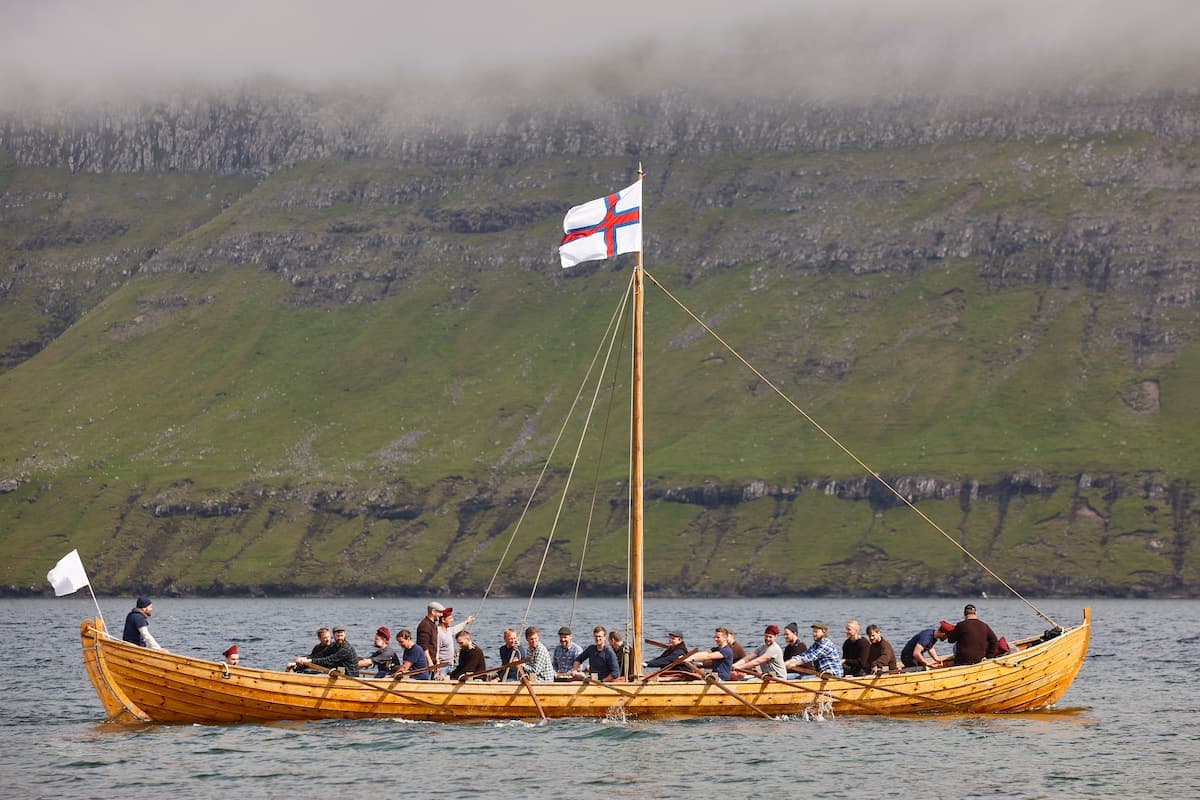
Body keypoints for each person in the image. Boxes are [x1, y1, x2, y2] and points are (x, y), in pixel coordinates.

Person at [294, 625, 359, 677]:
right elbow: (321, 654)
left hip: (351, 678)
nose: (340, 638)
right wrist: (304, 658)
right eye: (337, 636)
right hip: (342, 674)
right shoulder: (334, 645)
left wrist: (310, 661)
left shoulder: (346, 649)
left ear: (345, 635)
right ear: (334, 635)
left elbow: (329, 660)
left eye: (341, 636)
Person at [435, 608, 476, 678]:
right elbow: (436, 650)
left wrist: (467, 621)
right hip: (442, 667)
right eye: (450, 618)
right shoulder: (438, 633)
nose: (452, 620)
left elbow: (455, 629)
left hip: (450, 665)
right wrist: (437, 666)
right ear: (443, 620)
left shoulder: (448, 630)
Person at [417, 601, 444, 668]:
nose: (441, 615)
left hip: (433, 661)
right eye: (439, 612)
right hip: (425, 663)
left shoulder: (433, 624)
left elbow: (435, 644)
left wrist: (437, 661)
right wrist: (430, 662)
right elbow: (423, 646)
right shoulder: (425, 625)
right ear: (433, 611)